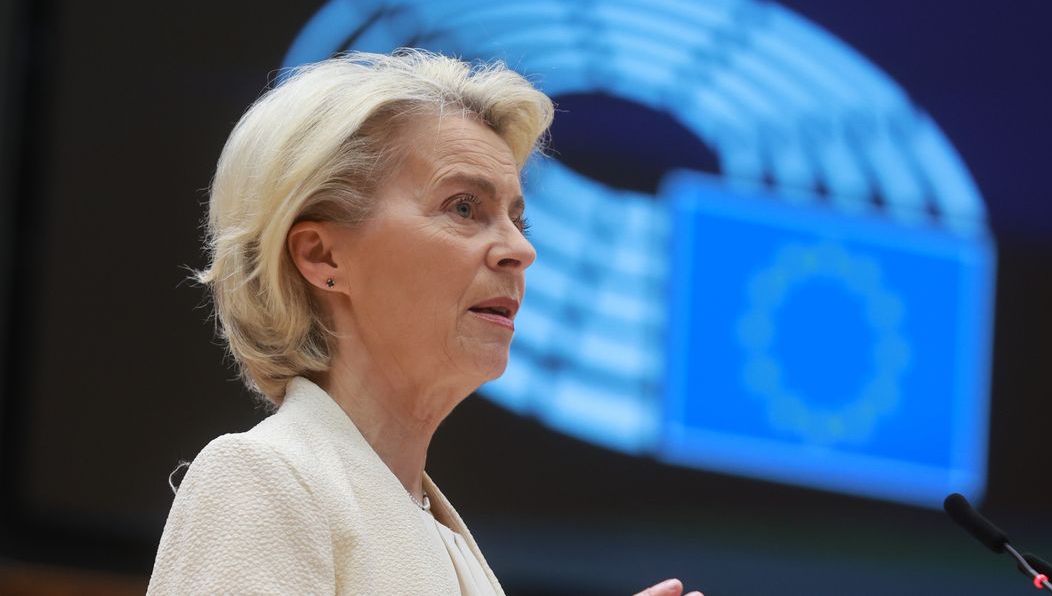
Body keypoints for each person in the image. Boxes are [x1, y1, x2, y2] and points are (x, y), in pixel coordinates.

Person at [148, 50, 702, 596]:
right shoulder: (263, 478)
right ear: (322, 256)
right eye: (464, 207)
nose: (519, 250)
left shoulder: (449, 545)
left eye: (517, 218)